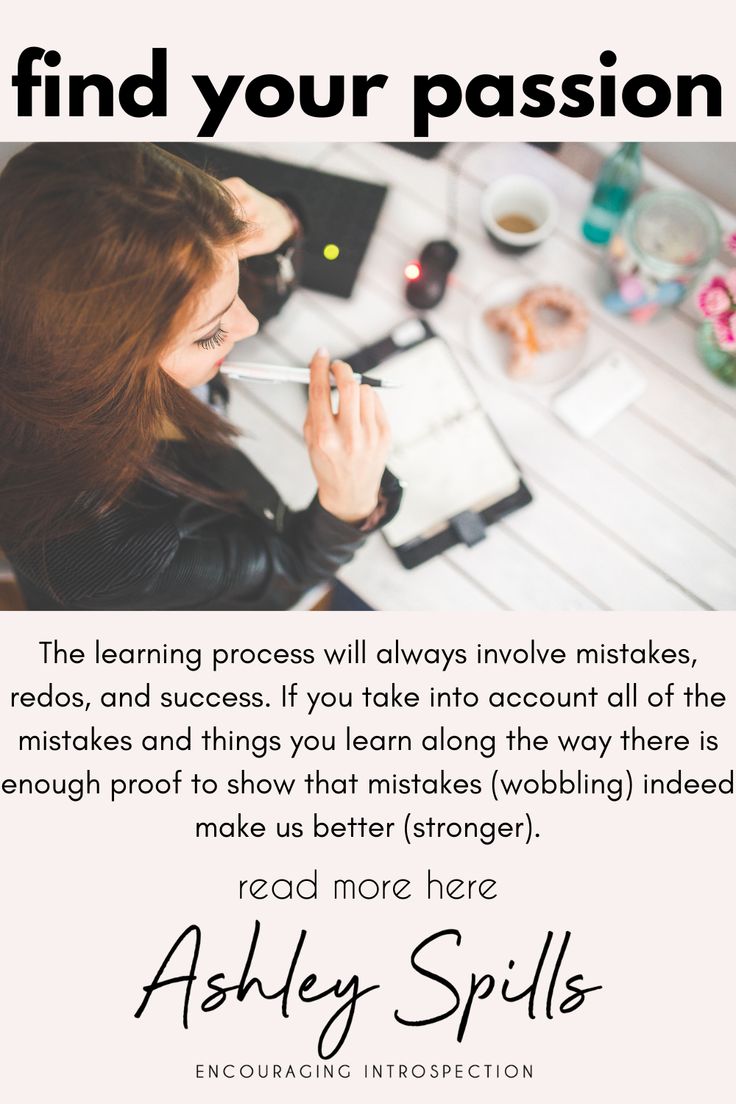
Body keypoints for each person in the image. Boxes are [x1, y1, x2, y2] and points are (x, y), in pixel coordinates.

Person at [0, 143, 401, 610]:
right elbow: (284, 578)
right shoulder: (113, 549)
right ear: (106, 368)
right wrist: (347, 505)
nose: (248, 324)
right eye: (210, 336)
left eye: (235, 274)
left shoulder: (48, 295)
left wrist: (282, 222)